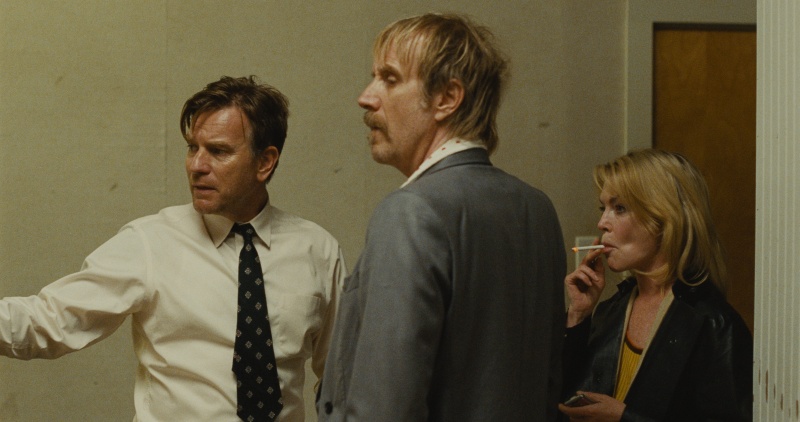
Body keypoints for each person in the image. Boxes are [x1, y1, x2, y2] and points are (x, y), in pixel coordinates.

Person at [0, 76, 346, 422]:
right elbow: (47, 321)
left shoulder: (317, 251)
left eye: (218, 151)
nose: (197, 165)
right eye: (193, 148)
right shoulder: (150, 242)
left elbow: (343, 377)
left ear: (264, 162)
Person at [316, 13, 566, 422]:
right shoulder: (537, 209)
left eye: (389, 79)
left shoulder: (409, 212)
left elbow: (385, 408)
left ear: (447, 98)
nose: (366, 97)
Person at [559, 149, 752, 421]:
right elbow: (561, 401)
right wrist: (578, 316)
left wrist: (624, 418)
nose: (602, 223)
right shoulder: (607, 312)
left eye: (620, 208)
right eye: (604, 208)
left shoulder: (715, 325)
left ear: (664, 219)